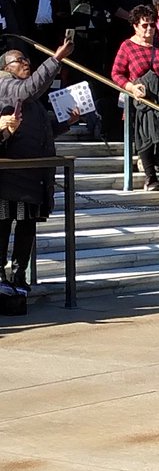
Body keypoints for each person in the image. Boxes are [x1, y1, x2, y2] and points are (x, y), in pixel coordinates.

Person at [0, 39, 77, 288]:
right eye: (21, 61)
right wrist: (56, 59)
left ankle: (20, 273)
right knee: (2, 228)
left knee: (26, 229)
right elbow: (28, 90)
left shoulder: (30, 97)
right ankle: (0, 274)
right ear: (6, 66)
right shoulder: (5, 85)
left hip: (33, 178)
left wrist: (66, 122)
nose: (27, 64)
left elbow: (41, 132)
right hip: (9, 178)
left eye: (27, 60)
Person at [111, 5, 159, 192]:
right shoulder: (127, 46)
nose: (149, 29)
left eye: (152, 25)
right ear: (135, 26)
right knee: (145, 137)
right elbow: (117, 73)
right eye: (145, 25)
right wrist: (131, 87)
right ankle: (150, 177)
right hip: (143, 100)